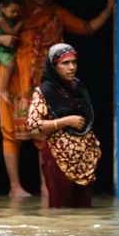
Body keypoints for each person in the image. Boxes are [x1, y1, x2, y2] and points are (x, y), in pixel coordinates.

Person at [0, 0, 115, 197]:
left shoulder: (56, 14)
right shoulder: (17, 12)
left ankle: (46, 186)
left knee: (45, 133)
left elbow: (87, 28)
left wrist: (108, 10)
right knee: (9, 131)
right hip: (13, 80)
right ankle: (15, 187)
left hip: (44, 82)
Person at [26, 44, 100, 208]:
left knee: (85, 211)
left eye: (74, 62)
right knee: (61, 210)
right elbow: (33, 125)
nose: (71, 67)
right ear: (53, 66)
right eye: (65, 63)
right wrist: (65, 121)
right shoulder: (44, 92)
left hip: (84, 159)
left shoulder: (77, 87)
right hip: (58, 157)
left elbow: (86, 118)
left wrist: (93, 145)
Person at [0, 0, 25, 105]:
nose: (15, 14)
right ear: (2, 7)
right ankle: (4, 90)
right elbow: (12, 32)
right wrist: (21, 21)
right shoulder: (0, 19)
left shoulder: (7, 16)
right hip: (2, 50)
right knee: (11, 66)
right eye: (13, 11)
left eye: (18, 12)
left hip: (9, 49)